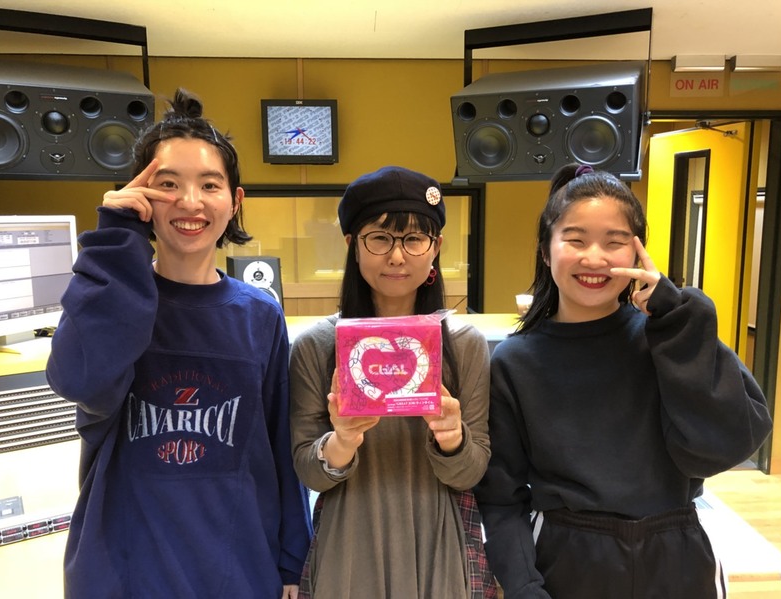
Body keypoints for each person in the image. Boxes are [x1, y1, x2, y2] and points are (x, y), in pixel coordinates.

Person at [46, 89, 312, 599]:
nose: (190, 202)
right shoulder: (112, 296)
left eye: (209, 184)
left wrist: (291, 561)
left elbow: (281, 444)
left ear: (235, 201)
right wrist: (115, 241)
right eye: (167, 184)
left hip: (237, 569)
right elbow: (78, 380)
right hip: (124, 570)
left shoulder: (260, 314)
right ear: (141, 197)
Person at [474, 163, 773, 599]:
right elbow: (502, 497)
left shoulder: (670, 335)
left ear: (636, 253)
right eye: (575, 240)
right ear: (545, 251)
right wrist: (523, 587)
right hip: (566, 559)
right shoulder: (515, 361)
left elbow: (724, 446)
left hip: (678, 556)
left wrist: (679, 322)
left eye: (614, 242)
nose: (594, 258)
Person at [289, 166, 496, 599]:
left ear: (436, 247)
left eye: (414, 239)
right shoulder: (317, 345)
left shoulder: (464, 345)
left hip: (440, 538)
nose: (397, 257)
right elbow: (308, 470)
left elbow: (473, 469)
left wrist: (453, 439)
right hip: (350, 539)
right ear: (352, 245)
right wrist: (342, 441)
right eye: (380, 238)